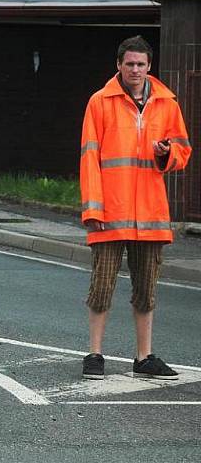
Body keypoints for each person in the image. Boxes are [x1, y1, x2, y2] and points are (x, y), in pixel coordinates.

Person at [79, 35, 192, 380]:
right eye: (129, 63)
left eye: (141, 64)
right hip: (110, 214)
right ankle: (95, 354)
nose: (135, 69)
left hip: (150, 215)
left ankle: (144, 357)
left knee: (147, 291)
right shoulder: (99, 102)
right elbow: (89, 158)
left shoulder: (166, 104)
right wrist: (92, 211)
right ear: (118, 65)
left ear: (149, 66)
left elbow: (183, 151)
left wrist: (165, 153)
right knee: (101, 287)